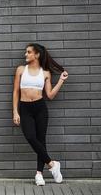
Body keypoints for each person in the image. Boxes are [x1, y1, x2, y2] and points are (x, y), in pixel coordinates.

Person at [12, 43, 68, 186]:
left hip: (40, 108)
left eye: (29, 52)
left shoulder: (45, 73)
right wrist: (15, 111)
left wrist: (61, 80)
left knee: (41, 141)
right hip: (25, 108)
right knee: (31, 136)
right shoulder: (20, 70)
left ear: (36, 55)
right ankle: (53, 164)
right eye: (26, 52)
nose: (25, 54)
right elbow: (16, 92)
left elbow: (49, 95)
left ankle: (39, 174)